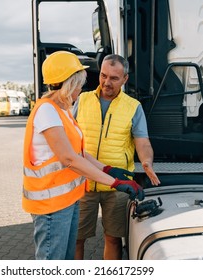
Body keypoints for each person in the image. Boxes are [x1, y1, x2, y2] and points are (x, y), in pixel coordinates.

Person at [22, 51, 144, 260]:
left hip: (67, 201)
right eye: (79, 84)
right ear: (70, 83)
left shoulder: (62, 111)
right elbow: (69, 159)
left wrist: (107, 169)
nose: (81, 89)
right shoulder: (47, 112)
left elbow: (79, 153)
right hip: (51, 206)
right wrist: (115, 182)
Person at [73, 54, 161, 260]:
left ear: (125, 79)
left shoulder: (133, 107)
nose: (106, 82)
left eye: (114, 78)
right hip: (84, 181)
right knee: (77, 238)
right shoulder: (82, 100)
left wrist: (147, 162)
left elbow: (143, 142)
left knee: (113, 238)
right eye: (103, 75)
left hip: (118, 185)